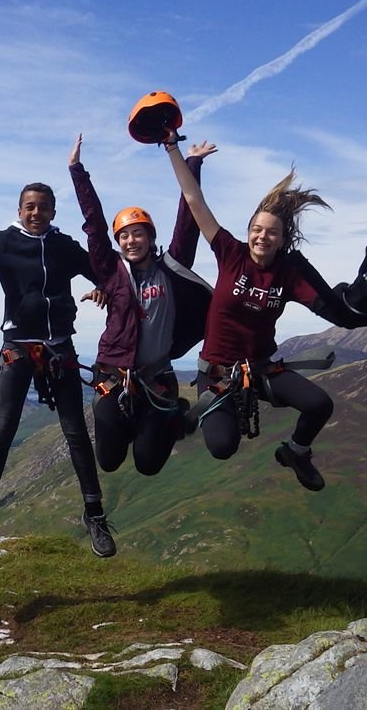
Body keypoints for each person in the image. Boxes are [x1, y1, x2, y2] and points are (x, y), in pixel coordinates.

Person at [163, 129, 367, 491]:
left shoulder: (289, 272)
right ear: (247, 231)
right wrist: (174, 149)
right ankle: (214, 413)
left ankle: (296, 452)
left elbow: (334, 310)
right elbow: (193, 199)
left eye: (271, 232)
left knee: (319, 405)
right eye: (256, 229)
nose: (261, 236)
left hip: (262, 367)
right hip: (217, 372)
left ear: (283, 238)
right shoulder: (230, 253)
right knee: (222, 447)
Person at [0, 181, 116, 564]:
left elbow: (102, 271)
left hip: (59, 347)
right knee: (2, 431)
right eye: (30, 207)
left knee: (75, 432)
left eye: (43, 207)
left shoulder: (63, 245)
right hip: (17, 347)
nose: (36, 213)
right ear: (19, 210)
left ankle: (94, 515)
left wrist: (103, 289)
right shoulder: (3, 241)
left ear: (52, 212)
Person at [68, 134, 215, 476]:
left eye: (138, 233)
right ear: (118, 242)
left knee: (148, 465)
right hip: (112, 376)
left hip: (157, 377)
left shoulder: (173, 267)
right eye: (124, 235)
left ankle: (172, 418)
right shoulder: (111, 271)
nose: (131, 240)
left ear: (150, 238)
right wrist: (77, 171)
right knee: (109, 461)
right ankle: (140, 423)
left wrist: (192, 163)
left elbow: (189, 219)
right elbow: (94, 226)